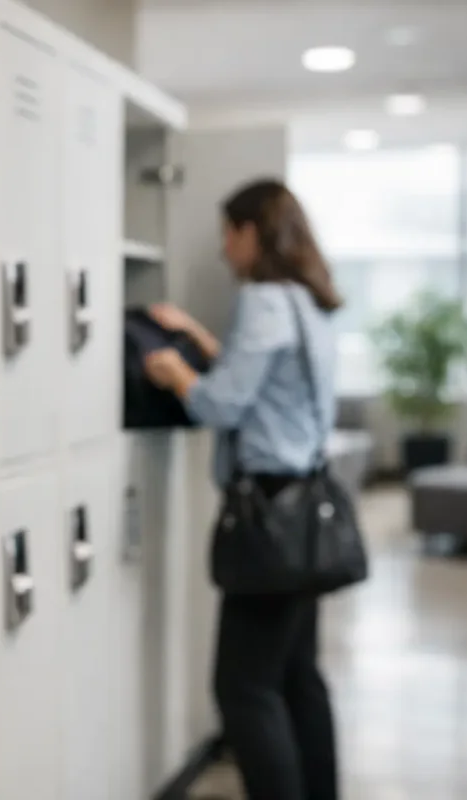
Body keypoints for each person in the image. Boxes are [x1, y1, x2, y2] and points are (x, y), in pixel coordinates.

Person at [142, 178, 342, 800]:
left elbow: (225, 404)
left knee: (244, 689)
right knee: (297, 677)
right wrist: (203, 342)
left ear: (252, 231)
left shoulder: (263, 299)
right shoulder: (308, 303)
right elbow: (270, 386)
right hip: (307, 504)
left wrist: (178, 375)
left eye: (229, 232)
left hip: (267, 514)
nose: (225, 248)